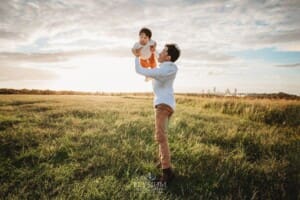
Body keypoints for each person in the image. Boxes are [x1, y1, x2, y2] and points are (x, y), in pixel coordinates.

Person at [133, 43, 180, 184]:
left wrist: (136, 57)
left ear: (168, 57)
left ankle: (167, 172)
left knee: (161, 137)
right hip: (168, 104)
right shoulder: (169, 67)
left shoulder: (162, 71)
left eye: (163, 52)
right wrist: (154, 52)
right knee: (161, 136)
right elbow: (160, 57)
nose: (160, 53)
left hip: (163, 106)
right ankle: (163, 162)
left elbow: (139, 69)